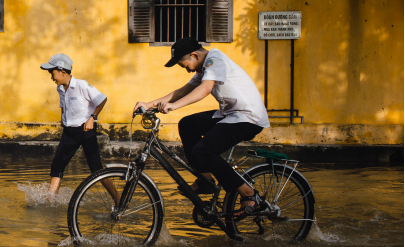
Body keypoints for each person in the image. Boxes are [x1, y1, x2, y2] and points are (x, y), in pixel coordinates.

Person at [133, 37, 271, 215]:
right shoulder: (205, 67)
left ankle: (248, 193)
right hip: (231, 115)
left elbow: (205, 89)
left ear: (194, 55)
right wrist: (149, 104)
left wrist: (173, 106)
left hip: (248, 118)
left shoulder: (215, 59)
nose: (187, 70)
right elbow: (182, 91)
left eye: (184, 65)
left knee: (203, 151)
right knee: (188, 124)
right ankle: (205, 179)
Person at [41, 54, 118, 201]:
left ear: (62, 71)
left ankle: (118, 199)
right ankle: (50, 201)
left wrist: (92, 118)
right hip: (69, 132)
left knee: (96, 168)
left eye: (52, 73)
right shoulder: (60, 88)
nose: (51, 77)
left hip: (85, 130)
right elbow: (63, 104)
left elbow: (102, 99)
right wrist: (63, 118)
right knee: (57, 165)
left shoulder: (81, 85)